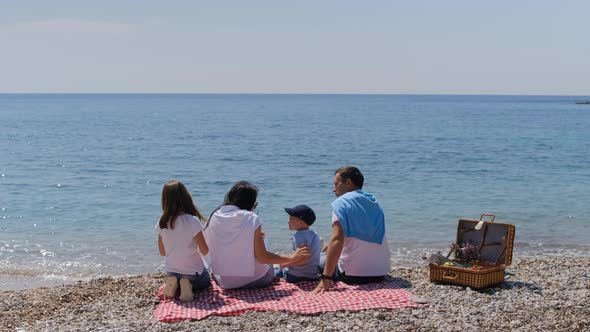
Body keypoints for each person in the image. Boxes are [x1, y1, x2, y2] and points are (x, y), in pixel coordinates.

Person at [204, 181, 310, 289]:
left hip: (223, 280)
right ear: (250, 203)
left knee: (257, 241)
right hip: (251, 280)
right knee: (267, 255)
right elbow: (263, 258)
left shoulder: (215, 215)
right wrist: (292, 257)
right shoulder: (251, 217)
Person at [313, 166, 391, 294]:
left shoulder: (342, 202)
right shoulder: (373, 202)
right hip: (380, 272)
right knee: (330, 253)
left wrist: (326, 278)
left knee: (318, 259)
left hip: (353, 276)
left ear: (348, 183)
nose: (333, 189)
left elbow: (337, 239)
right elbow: (363, 233)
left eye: (336, 184)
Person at [156, 180, 211, 302]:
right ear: (185, 198)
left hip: (171, 271)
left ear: (164, 200)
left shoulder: (162, 222)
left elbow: (162, 252)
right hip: (193, 273)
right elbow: (205, 250)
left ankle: (176, 284)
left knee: (178, 274)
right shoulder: (192, 221)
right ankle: (188, 284)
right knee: (206, 278)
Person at [275, 204, 321, 283]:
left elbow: (303, 260)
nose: (288, 221)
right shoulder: (314, 234)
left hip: (296, 275)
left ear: (300, 222)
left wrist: (287, 264)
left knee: (275, 272)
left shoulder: (299, 236)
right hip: (312, 275)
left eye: (290, 219)